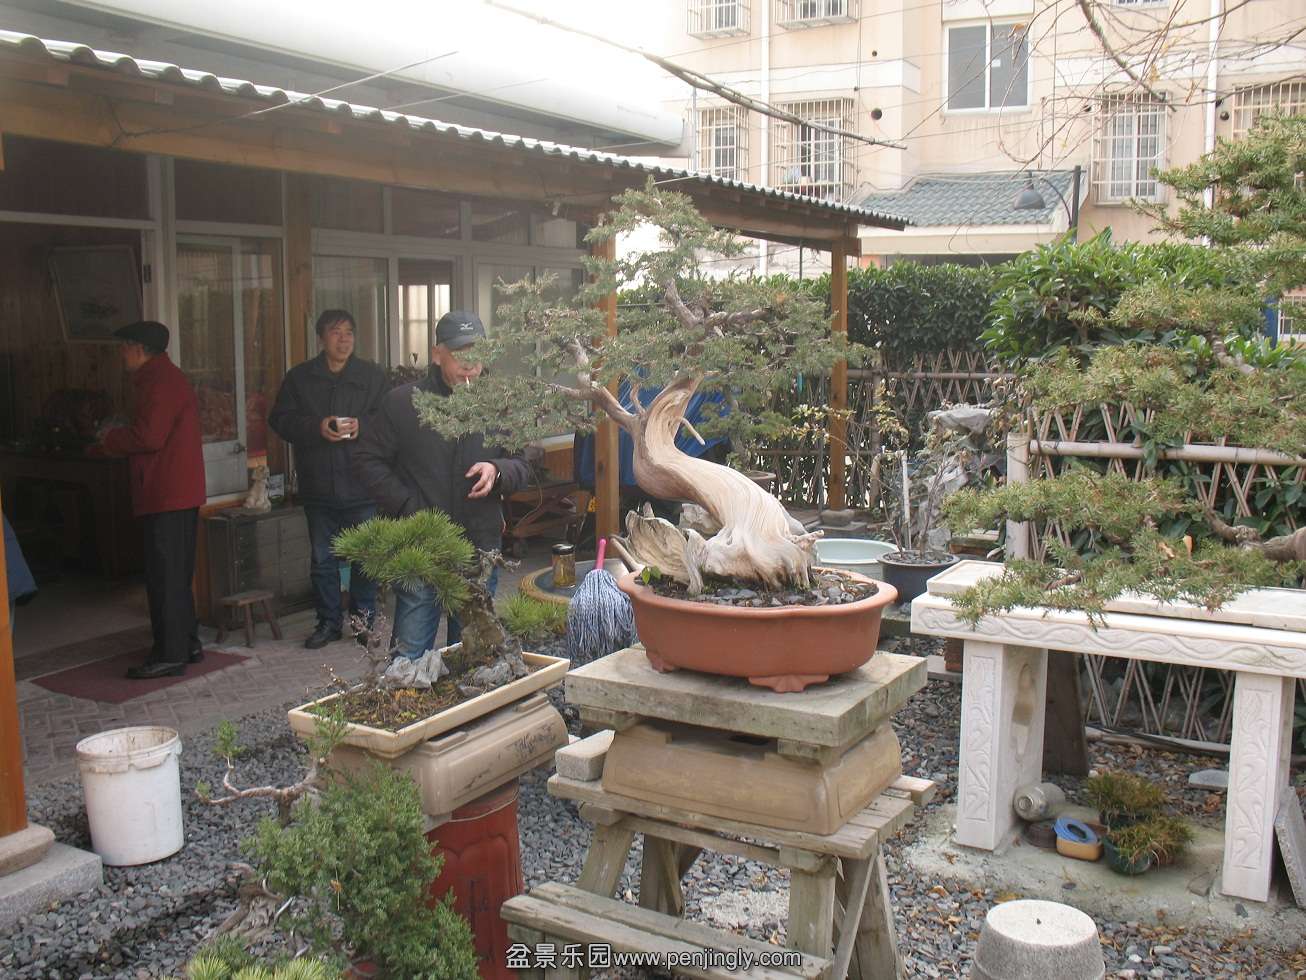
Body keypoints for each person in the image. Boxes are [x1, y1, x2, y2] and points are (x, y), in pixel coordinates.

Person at [353, 310, 529, 660]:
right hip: (421, 544)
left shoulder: (501, 403)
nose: (470, 364)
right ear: (437, 354)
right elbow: (367, 461)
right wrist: (408, 506)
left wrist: (497, 470)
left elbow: (523, 465)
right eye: (460, 353)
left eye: (478, 353)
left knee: (473, 656)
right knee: (409, 654)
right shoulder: (403, 403)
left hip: (480, 545)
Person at [269, 310, 387, 649]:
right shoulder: (300, 378)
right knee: (323, 560)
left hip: (362, 483)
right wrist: (317, 427)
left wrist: (363, 425)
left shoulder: (371, 376)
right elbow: (280, 419)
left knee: (365, 558)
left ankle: (364, 623)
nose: (344, 339)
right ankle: (328, 623)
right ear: (321, 338)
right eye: (336, 332)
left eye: (349, 332)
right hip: (318, 484)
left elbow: (389, 417)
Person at [98, 321, 206, 679]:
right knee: (176, 573)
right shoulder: (165, 377)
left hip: (166, 491)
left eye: (124, 347)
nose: (121, 354)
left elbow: (149, 436)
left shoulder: (159, 381)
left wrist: (110, 439)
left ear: (138, 349)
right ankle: (186, 643)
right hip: (176, 490)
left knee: (165, 576)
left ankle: (170, 654)